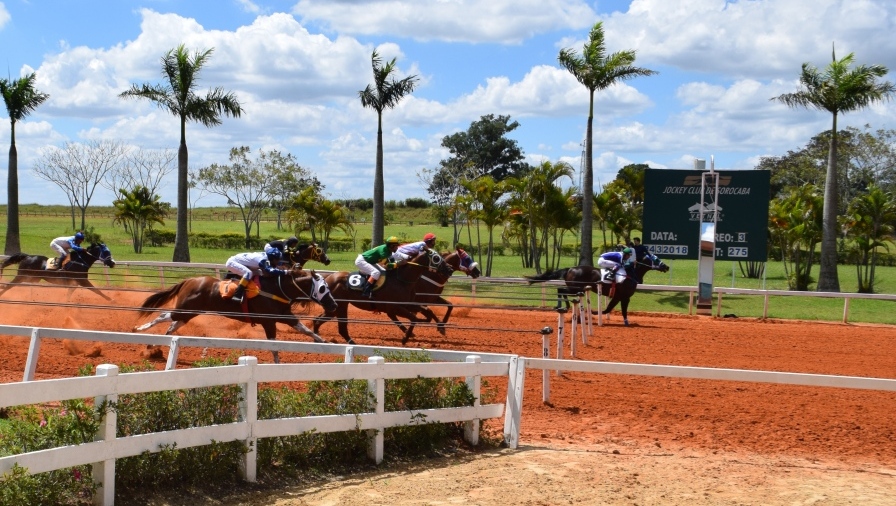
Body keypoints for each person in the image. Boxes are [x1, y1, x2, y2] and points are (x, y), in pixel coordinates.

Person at [225, 249, 290, 303]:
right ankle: (237, 294)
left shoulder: (267, 257)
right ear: (272, 259)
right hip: (232, 262)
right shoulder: (262, 260)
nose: (278, 261)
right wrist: (286, 272)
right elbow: (271, 271)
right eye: (277, 259)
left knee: (259, 272)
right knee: (248, 273)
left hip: (242, 262)